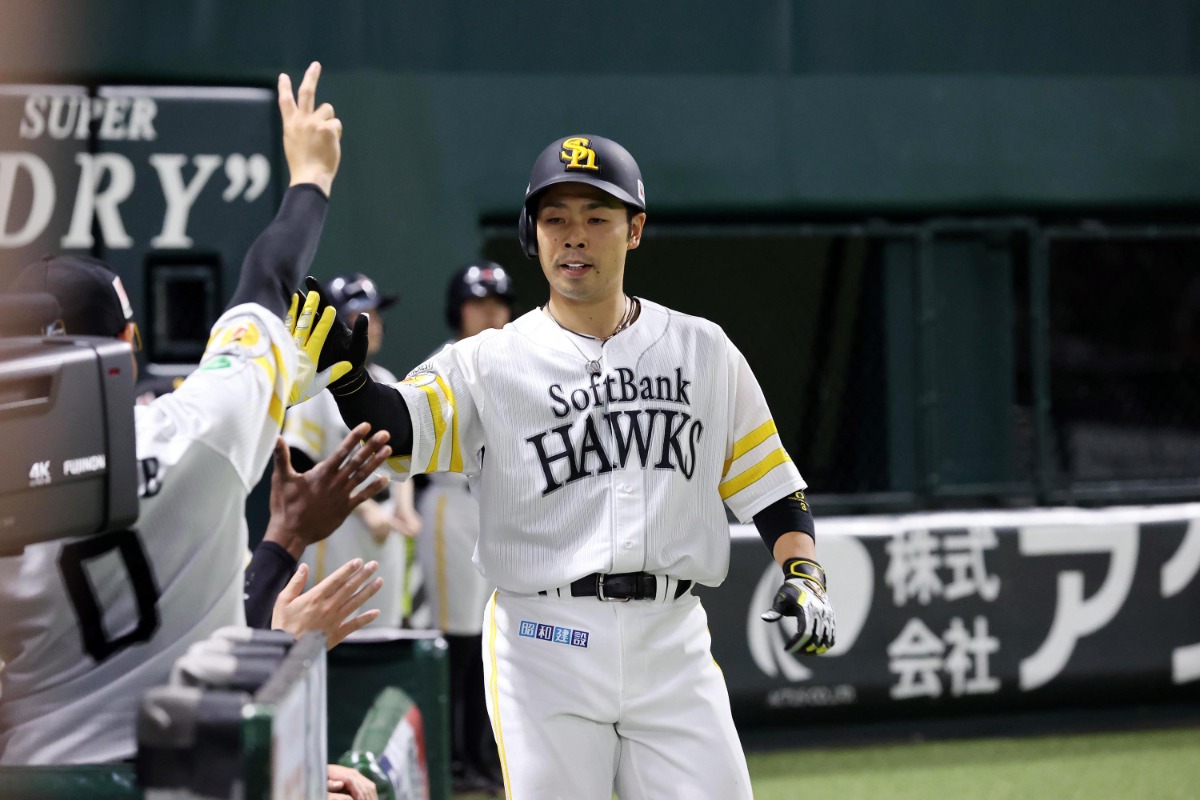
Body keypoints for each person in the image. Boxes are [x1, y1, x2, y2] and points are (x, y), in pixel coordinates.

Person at [300, 134, 837, 798]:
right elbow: (400, 425)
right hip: (543, 639)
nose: (573, 235)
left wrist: (804, 573)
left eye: (596, 216)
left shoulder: (703, 350)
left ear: (634, 229)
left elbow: (771, 486)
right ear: (533, 235)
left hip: (671, 638)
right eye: (554, 218)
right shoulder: (489, 360)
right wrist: (350, 383)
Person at [0, 61, 347, 765]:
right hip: (187, 771)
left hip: (40, 774)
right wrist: (310, 176)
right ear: (127, 343)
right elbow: (269, 278)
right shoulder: (198, 427)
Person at [415, 261, 515, 794]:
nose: (490, 313)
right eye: (479, 304)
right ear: (459, 311)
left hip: (497, 507)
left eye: (498, 303)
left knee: (491, 638)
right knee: (458, 639)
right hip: (452, 504)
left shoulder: (519, 362)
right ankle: (453, 758)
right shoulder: (443, 365)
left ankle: (481, 754)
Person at [282, 272, 422, 629]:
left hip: (384, 525)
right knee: (331, 634)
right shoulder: (315, 381)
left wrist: (403, 507)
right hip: (337, 523)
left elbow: (403, 453)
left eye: (375, 314)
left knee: (383, 631)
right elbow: (303, 462)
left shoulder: (385, 378)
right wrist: (366, 508)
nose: (373, 324)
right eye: (362, 314)